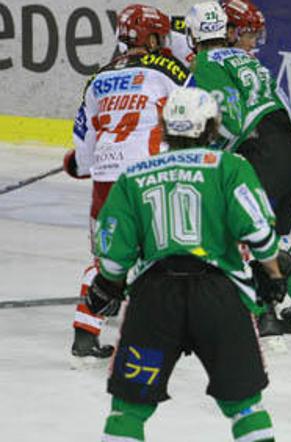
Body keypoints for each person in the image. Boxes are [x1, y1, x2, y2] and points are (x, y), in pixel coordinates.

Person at [88, 87, 284, 441]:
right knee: (246, 406)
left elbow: (114, 255)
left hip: (154, 299)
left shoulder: (134, 175)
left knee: (128, 408)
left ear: (165, 126)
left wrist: (108, 284)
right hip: (219, 297)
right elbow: (258, 232)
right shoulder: (229, 166)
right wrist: (273, 274)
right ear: (210, 126)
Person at [185, 1, 291, 336]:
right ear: (228, 31)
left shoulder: (205, 62)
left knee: (239, 226)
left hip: (263, 151)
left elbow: (231, 123)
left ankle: (263, 312)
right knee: (269, 232)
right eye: (246, 33)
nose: (251, 41)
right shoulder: (251, 64)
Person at [64, 3, 190, 362]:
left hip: (105, 176)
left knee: (105, 257)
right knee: (157, 251)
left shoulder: (98, 78)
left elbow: (83, 148)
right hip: (147, 174)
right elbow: (194, 109)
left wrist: (80, 165)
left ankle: (84, 334)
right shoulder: (169, 68)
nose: (163, 41)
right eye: (159, 35)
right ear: (149, 37)